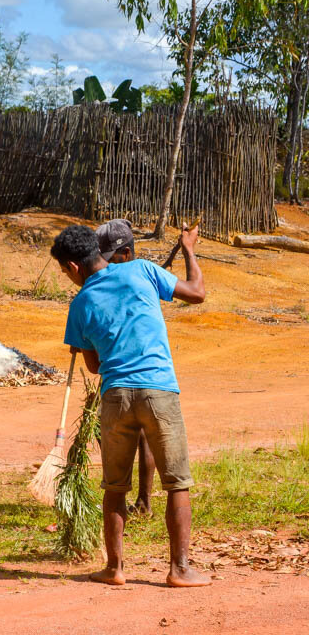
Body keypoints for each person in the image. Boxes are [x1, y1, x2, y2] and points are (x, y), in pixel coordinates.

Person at [51, 223, 210, 587]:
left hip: (116, 397)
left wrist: (87, 340)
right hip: (159, 391)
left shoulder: (79, 304)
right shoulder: (142, 270)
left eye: (64, 272)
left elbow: (93, 366)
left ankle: (115, 568)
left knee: (114, 487)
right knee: (177, 483)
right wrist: (188, 248)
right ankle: (180, 569)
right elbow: (197, 293)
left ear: (73, 268)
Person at [94, 219, 154, 517]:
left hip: (136, 367)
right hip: (118, 367)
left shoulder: (137, 274)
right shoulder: (126, 276)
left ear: (127, 253)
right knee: (118, 431)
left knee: (142, 434)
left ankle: (142, 500)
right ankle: (127, 497)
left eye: (110, 257)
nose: (105, 264)